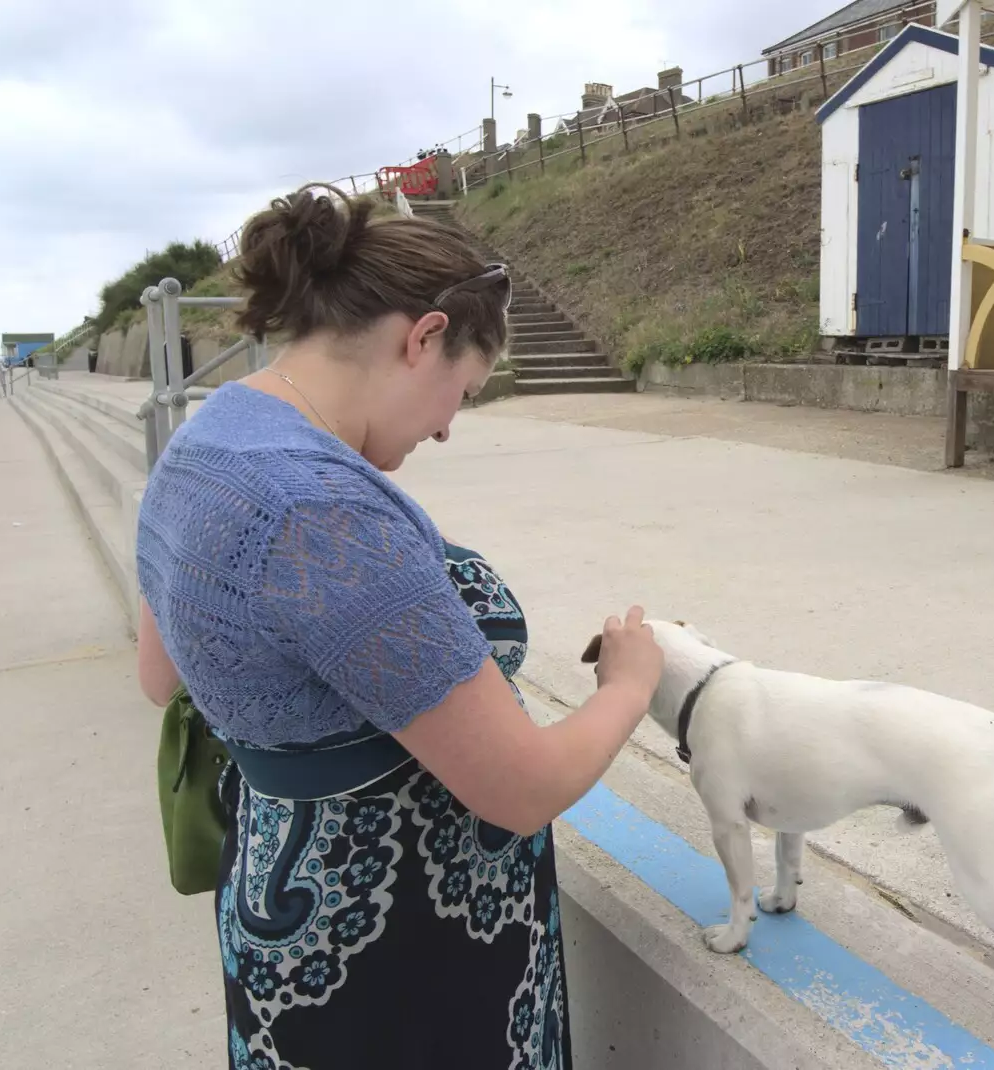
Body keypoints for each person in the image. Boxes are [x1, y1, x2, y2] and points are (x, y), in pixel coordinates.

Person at [134, 185, 663, 1069]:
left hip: (273, 903)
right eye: (463, 388)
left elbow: (162, 679)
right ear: (423, 338)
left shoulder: (205, 440)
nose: (450, 427)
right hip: (402, 954)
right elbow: (521, 787)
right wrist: (629, 685)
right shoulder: (324, 512)